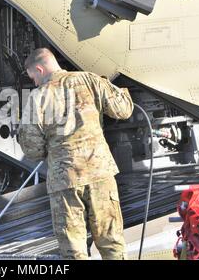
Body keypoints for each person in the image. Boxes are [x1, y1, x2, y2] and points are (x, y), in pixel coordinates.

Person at [18, 48, 133, 260]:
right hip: (100, 174)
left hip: (65, 181)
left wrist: (52, 150)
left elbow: (31, 148)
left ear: (40, 69)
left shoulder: (38, 97)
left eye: (33, 77)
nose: (34, 83)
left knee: (74, 249)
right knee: (112, 242)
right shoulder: (89, 80)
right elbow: (123, 110)